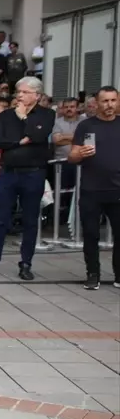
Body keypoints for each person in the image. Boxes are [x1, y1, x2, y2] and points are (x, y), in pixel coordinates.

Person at [0, 76, 55, 281]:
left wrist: (23, 119)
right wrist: (20, 141)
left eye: (24, 92)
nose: (19, 96)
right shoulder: (5, 116)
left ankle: (26, 264)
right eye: (18, 92)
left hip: (34, 172)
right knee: (0, 218)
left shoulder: (47, 115)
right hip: (9, 172)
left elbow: (38, 137)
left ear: (36, 95)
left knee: (30, 220)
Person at [69, 86, 120, 290]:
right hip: (91, 190)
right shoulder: (86, 126)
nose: (109, 105)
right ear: (97, 103)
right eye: (105, 101)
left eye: (113, 101)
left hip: (117, 190)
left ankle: (119, 274)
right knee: (91, 234)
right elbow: (72, 157)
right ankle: (93, 274)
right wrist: (80, 152)